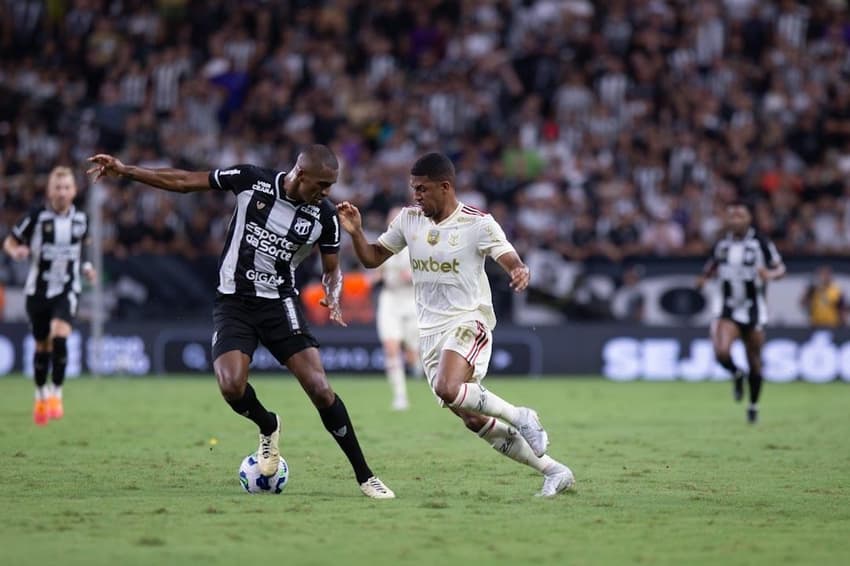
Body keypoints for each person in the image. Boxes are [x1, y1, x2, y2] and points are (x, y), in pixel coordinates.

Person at [87, 146, 394, 499]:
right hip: (234, 302)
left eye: (331, 185)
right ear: (300, 173)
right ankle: (269, 425)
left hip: (280, 304)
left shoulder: (325, 217)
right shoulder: (252, 181)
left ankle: (365, 476)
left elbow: (331, 270)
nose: (326, 192)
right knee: (232, 386)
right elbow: (186, 181)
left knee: (321, 390)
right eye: (322, 184)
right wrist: (126, 171)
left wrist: (333, 294)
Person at [338, 152, 574, 497]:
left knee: (448, 389)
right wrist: (357, 233)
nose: (416, 196)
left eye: (422, 189)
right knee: (472, 418)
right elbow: (373, 258)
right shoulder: (409, 220)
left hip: (469, 320)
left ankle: (521, 415)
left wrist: (518, 269)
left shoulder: (478, 223)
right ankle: (554, 470)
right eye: (413, 189)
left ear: (445, 187)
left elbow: (506, 254)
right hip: (430, 331)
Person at [3, 166, 97, 425]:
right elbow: (10, 241)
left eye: (67, 187)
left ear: (74, 191)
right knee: (42, 345)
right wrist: (16, 252)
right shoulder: (36, 216)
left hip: (67, 288)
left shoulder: (81, 219)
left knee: (60, 336)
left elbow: (85, 248)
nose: (62, 193)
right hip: (38, 291)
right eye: (58, 187)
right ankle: (40, 393)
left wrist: (87, 268)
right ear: (49, 191)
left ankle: (56, 393)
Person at [697, 202, 785, 424]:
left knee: (754, 360)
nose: (735, 220)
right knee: (721, 352)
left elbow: (781, 268)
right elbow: (712, 265)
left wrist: (770, 275)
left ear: (748, 219)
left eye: (740, 216)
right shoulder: (722, 244)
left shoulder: (761, 243)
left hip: (754, 310)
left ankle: (753, 405)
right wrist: (703, 278)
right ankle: (737, 374)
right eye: (732, 216)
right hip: (728, 308)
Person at [374, 206, 420, 411]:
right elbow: (377, 270)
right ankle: (400, 396)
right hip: (390, 299)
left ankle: (416, 362)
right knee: (391, 348)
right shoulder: (382, 245)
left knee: (412, 354)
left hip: (411, 300)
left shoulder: (417, 245)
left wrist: (413, 276)